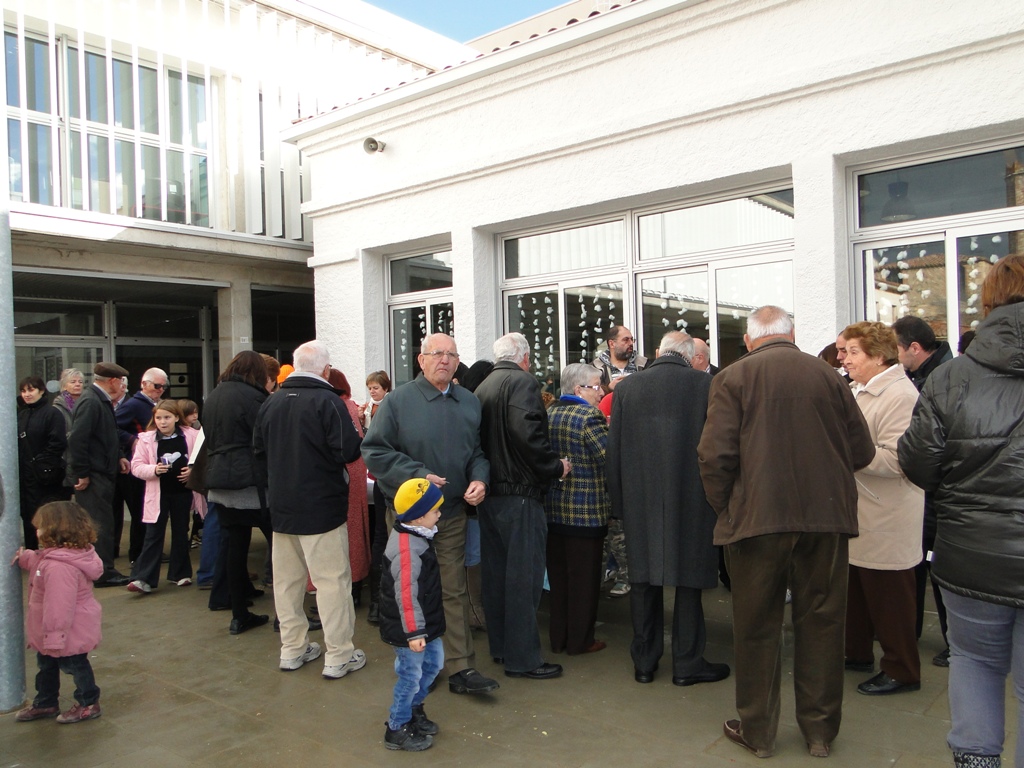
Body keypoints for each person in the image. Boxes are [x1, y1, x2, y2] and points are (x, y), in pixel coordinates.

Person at [698, 306, 875, 759]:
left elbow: (714, 457)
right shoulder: (830, 376)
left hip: (757, 522)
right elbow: (862, 450)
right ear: (791, 334)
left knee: (757, 627)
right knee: (822, 623)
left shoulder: (734, 378)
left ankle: (758, 732)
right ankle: (820, 732)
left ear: (750, 339)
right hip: (826, 519)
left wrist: (730, 506)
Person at [898, 254, 1024, 768]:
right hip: (972, 552)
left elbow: (918, 463)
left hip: (971, 554)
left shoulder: (950, 378)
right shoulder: (950, 376)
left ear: (988, 301)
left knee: (974, 661)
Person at [362, 333, 497, 696]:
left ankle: (461, 668)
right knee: (413, 591)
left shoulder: (469, 403)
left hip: (451, 514)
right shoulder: (397, 402)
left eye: (452, 355)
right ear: (421, 360)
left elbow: (477, 453)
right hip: (409, 519)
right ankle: (419, 667)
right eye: (437, 354)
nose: (445, 360)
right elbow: (373, 450)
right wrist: (418, 474)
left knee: (452, 590)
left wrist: (479, 479)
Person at [608, 331, 728, 686]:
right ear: (691, 357)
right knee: (689, 581)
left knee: (643, 580)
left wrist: (619, 503)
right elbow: (718, 448)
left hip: (639, 499)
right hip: (695, 499)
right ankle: (687, 664)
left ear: (659, 352)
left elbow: (614, 452)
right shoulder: (706, 386)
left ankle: (644, 662)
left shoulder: (627, 389)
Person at [254, 340, 366, 679]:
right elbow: (349, 449)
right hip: (322, 508)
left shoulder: (271, 403)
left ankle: (292, 649)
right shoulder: (328, 401)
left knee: (287, 583)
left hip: (282, 508)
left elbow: (257, 451)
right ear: (326, 370)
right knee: (332, 583)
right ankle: (339, 654)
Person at [475, 331, 569, 680]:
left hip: (490, 495)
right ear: (525, 357)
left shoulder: (482, 387)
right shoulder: (523, 383)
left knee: (497, 577)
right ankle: (523, 658)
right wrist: (555, 466)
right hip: (520, 494)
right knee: (522, 580)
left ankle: (501, 648)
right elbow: (528, 433)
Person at [840, 321, 923, 695]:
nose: (845, 358)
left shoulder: (899, 395)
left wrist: (845, 454)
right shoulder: (859, 389)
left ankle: (902, 669)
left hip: (887, 512)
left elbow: (899, 460)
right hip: (860, 511)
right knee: (856, 589)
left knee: (890, 596)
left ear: (878, 355)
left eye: (853, 352)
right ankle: (855, 653)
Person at [892, 317, 955, 667]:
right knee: (918, 565)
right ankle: (913, 632)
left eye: (896, 350)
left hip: (937, 491)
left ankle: (954, 642)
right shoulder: (925, 376)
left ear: (914, 348)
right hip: (928, 490)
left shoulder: (940, 380)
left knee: (940, 569)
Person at [12, 501, 104, 724]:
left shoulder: (59, 567)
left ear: (55, 531)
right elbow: (39, 560)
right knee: (47, 666)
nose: (36, 530)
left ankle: (88, 702)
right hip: (58, 630)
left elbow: (59, 605)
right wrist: (26, 559)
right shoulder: (57, 556)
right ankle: (46, 702)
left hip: (65, 631)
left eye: (40, 526)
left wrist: (54, 635)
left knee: (74, 665)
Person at [203, 351, 270, 635]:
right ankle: (285, 617)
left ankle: (238, 614)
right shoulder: (253, 397)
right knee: (279, 545)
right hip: (250, 481)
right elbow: (265, 437)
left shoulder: (214, 395)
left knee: (234, 547)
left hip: (219, 478)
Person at [544, 363, 610, 656]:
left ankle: (558, 639)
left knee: (559, 582)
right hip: (586, 515)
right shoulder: (590, 416)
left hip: (554, 511)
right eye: (596, 386)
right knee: (584, 582)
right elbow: (609, 456)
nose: (602, 392)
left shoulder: (550, 413)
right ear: (578, 389)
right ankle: (581, 641)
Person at [380, 479, 447, 752]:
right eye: (436, 510)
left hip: (424, 622)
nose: (440, 514)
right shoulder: (407, 549)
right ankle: (397, 726)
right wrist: (415, 632)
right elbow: (406, 595)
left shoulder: (419, 536)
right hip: (410, 628)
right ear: (419, 516)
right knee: (410, 675)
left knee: (434, 665)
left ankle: (414, 709)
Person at [126, 400, 205, 593]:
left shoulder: (192, 436)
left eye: (167, 417)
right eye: (158, 418)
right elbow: (136, 467)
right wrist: (154, 469)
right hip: (159, 494)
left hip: (183, 493)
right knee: (153, 534)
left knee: (180, 531)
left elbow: (202, 460)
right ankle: (143, 578)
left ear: (177, 418)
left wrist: (192, 472)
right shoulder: (146, 439)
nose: (163, 422)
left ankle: (180, 573)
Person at [67, 362, 132, 587]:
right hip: (94, 475)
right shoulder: (92, 401)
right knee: (99, 524)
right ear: (113, 381)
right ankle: (103, 573)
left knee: (103, 521)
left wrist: (119, 456)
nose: (122, 386)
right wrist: (82, 473)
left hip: (101, 471)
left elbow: (107, 435)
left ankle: (103, 569)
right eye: (121, 382)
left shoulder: (99, 400)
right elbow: (78, 439)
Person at [327, 368, 371, 608]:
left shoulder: (335, 405)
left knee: (344, 533)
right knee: (354, 530)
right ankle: (354, 585)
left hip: (342, 474)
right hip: (355, 472)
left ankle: (349, 589)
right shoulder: (349, 405)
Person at [18, 375, 70, 549]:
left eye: (31, 390)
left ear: (41, 391)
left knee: (49, 516)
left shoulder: (52, 413)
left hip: (45, 477)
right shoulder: (22, 414)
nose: (27, 394)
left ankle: (52, 552)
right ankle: (32, 552)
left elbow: (58, 442)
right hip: (26, 477)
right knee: (28, 515)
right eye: (24, 391)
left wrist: (41, 463)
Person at [362, 370, 393, 625]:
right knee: (384, 539)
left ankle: (377, 603)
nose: (373, 391)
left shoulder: (382, 409)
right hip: (387, 482)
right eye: (370, 387)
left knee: (381, 539)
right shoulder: (369, 410)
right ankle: (380, 603)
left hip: (381, 479)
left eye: (376, 387)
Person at [592, 325, 647, 390]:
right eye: (626, 340)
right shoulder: (595, 368)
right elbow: (590, 395)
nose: (631, 343)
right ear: (612, 344)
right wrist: (608, 389)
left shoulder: (645, 365)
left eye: (632, 339)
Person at [52, 368, 84, 436]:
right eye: (73, 382)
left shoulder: (86, 403)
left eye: (80, 382)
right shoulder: (58, 408)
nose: (78, 384)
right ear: (64, 386)